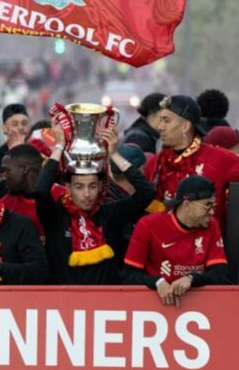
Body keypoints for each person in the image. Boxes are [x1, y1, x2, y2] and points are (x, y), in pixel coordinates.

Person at [144, 95, 239, 228]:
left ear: (185, 126)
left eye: (166, 120)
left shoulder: (219, 158)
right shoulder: (155, 164)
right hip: (163, 257)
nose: (160, 127)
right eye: (160, 121)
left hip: (206, 256)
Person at [35, 122, 155, 285]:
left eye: (92, 186)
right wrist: (59, 147)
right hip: (64, 304)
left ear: (100, 186)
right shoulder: (55, 215)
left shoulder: (110, 213)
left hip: (105, 306)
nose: (86, 194)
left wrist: (114, 155)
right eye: (79, 187)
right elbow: (41, 190)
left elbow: (146, 193)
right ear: (68, 188)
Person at [123, 175, 232, 306]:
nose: (212, 212)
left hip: (198, 304)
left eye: (214, 205)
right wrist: (157, 282)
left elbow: (220, 273)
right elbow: (128, 275)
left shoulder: (211, 225)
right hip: (153, 304)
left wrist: (191, 278)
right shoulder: (148, 225)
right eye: (207, 205)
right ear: (186, 205)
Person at [0, 104, 30, 196]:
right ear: (4, 128)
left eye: (24, 123)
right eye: (15, 124)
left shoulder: (40, 156)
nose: (20, 128)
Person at [0, 144, 44, 242]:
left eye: (7, 170)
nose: (3, 176)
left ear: (24, 169)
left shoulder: (61, 197)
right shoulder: (4, 206)